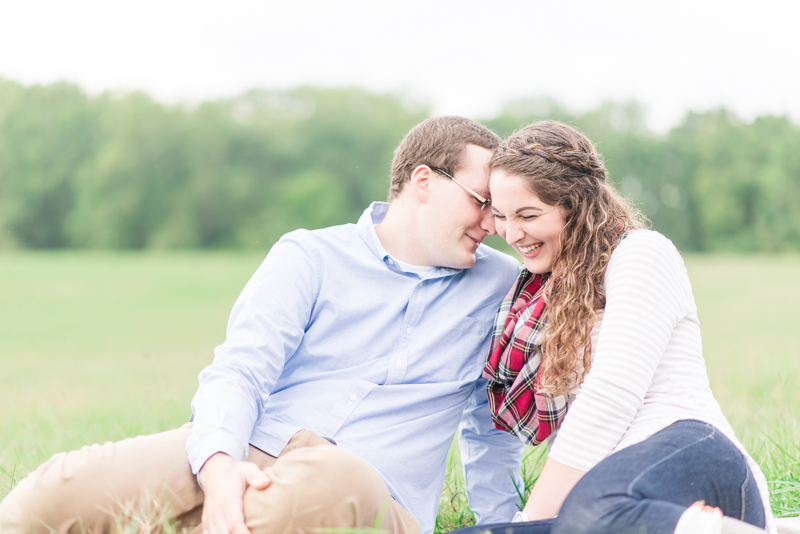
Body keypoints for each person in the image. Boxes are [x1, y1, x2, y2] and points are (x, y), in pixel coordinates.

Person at [0, 116, 524, 534]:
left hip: (371, 488)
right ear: (425, 182)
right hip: (255, 448)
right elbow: (240, 371)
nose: (494, 227)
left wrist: (502, 526)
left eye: (499, 213)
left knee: (332, 479)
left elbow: (492, 429)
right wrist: (221, 466)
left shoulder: (501, 285)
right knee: (59, 491)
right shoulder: (310, 255)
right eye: (483, 204)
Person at [457, 120, 776, 534]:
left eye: (528, 214)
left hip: (695, 455)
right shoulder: (540, 292)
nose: (511, 233)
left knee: (589, 513)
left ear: (578, 205)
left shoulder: (642, 254)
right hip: (605, 495)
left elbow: (611, 395)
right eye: (500, 215)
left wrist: (529, 521)